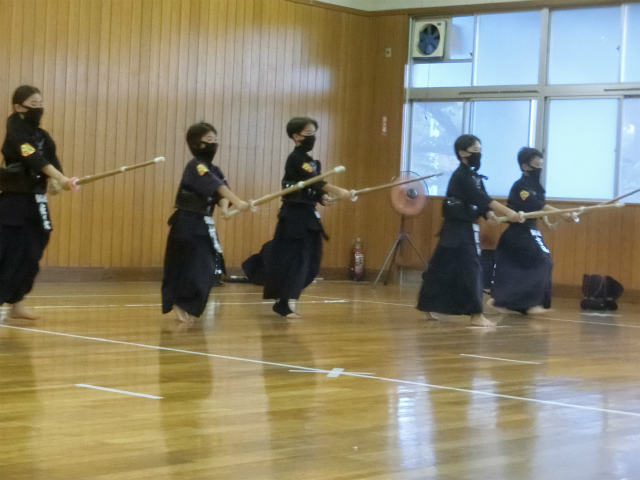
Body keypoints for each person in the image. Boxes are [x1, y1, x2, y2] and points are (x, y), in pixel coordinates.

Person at [416, 134, 524, 327]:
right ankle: (476, 315)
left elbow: (482, 201)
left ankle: (428, 305)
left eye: (480, 150)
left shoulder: (475, 177)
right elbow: (481, 197)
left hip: (464, 229)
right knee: (470, 268)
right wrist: (510, 212)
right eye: (475, 150)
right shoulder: (461, 176)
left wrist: (489, 215)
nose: (479, 153)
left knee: (442, 268)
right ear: (462, 153)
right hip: (456, 229)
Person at [0, 85, 77, 320]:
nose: (39, 108)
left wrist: (59, 183)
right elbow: (31, 156)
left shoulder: (43, 137)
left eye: (40, 103)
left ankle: (17, 302)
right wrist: (59, 177)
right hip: (14, 201)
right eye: (34, 104)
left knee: (32, 251)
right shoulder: (15, 131)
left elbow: (51, 162)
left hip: (36, 201)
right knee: (8, 251)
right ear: (18, 107)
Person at [263, 117, 352, 318]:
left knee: (312, 260)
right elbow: (313, 181)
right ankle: (283, 303)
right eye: (308, 133)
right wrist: (338, 190)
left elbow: (315, 187)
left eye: (314, 133)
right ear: (296, 136)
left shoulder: (311, 162)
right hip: (294, 216)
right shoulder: (296, 159)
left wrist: (323, 197)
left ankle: (285, 299)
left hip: (308, 216)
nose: (313, 137)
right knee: (296, 259)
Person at [161, 122, 249, 325]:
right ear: (196, 144)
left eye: (215, 140)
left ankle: (189, 304)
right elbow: (215, 185)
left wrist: (226, 208)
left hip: (203, 224)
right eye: (209, 140)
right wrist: (238, 202)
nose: (213, 144)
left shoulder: (214, 169)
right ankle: (179, 303)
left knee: (208, 269)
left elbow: (222, 192)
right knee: (188, 267)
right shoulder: (196, 166)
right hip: (187, 223)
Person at [489, 147, 573, 315]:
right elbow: (538, 205)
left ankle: (516, 303)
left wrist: (549, 222)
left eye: (541, 164)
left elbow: (539, 209)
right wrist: (562, 213)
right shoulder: (521, 187)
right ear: (525, 166)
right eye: (536, 164)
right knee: (543, 261)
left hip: (530, 231)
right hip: (518, 233)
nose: (539, 168)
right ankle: (527, 303)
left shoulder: (536, 186)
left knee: (538, 263)